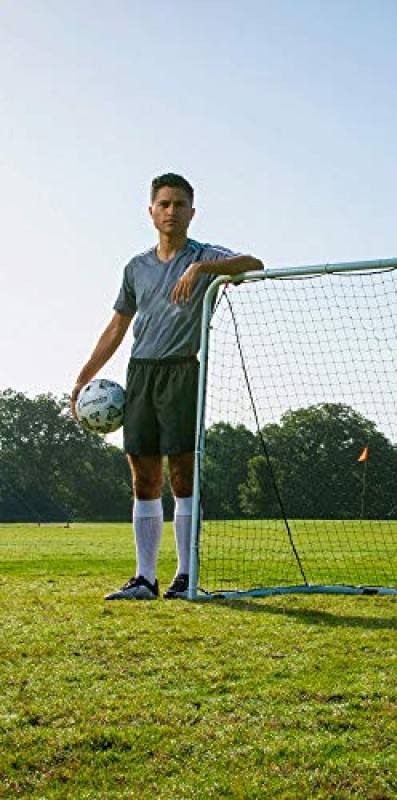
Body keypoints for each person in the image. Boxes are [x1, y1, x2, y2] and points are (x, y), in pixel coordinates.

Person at [71, 173, 263, 600]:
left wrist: (202, 269)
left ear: (192, 213)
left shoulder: (205, 255)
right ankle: (144, 578)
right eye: (164, 204)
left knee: (181, 475)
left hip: (182, 370)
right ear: (151, 212)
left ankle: (184, 577)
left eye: (180, 204)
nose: (172, 211)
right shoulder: (135, 267)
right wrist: (84, 376)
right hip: (140, 374)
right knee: (143, 478)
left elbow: (254, 263)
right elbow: (118, 326)